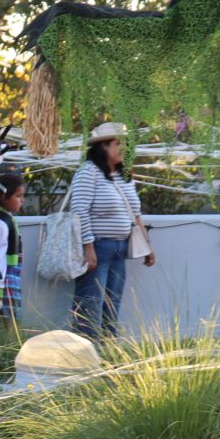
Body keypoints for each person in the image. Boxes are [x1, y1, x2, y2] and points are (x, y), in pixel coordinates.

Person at [67, 122, 150, 341]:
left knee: (112, 303)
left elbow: (136, 213)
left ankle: (108, 349)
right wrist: (88, 247)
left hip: (120, 249)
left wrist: (148, 246)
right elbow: (79, 210)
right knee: (90, 303)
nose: (124, 148)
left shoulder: (123, 176)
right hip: (99, 247)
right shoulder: (88, 172)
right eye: (118, 143)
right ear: (103, 146)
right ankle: (85, 351)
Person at [0, 171, 27, 324]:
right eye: (18, 196)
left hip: (11, 281)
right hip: (4, 285)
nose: (22, 200)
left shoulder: (6, 219)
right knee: (6, 325)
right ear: (4, 197)